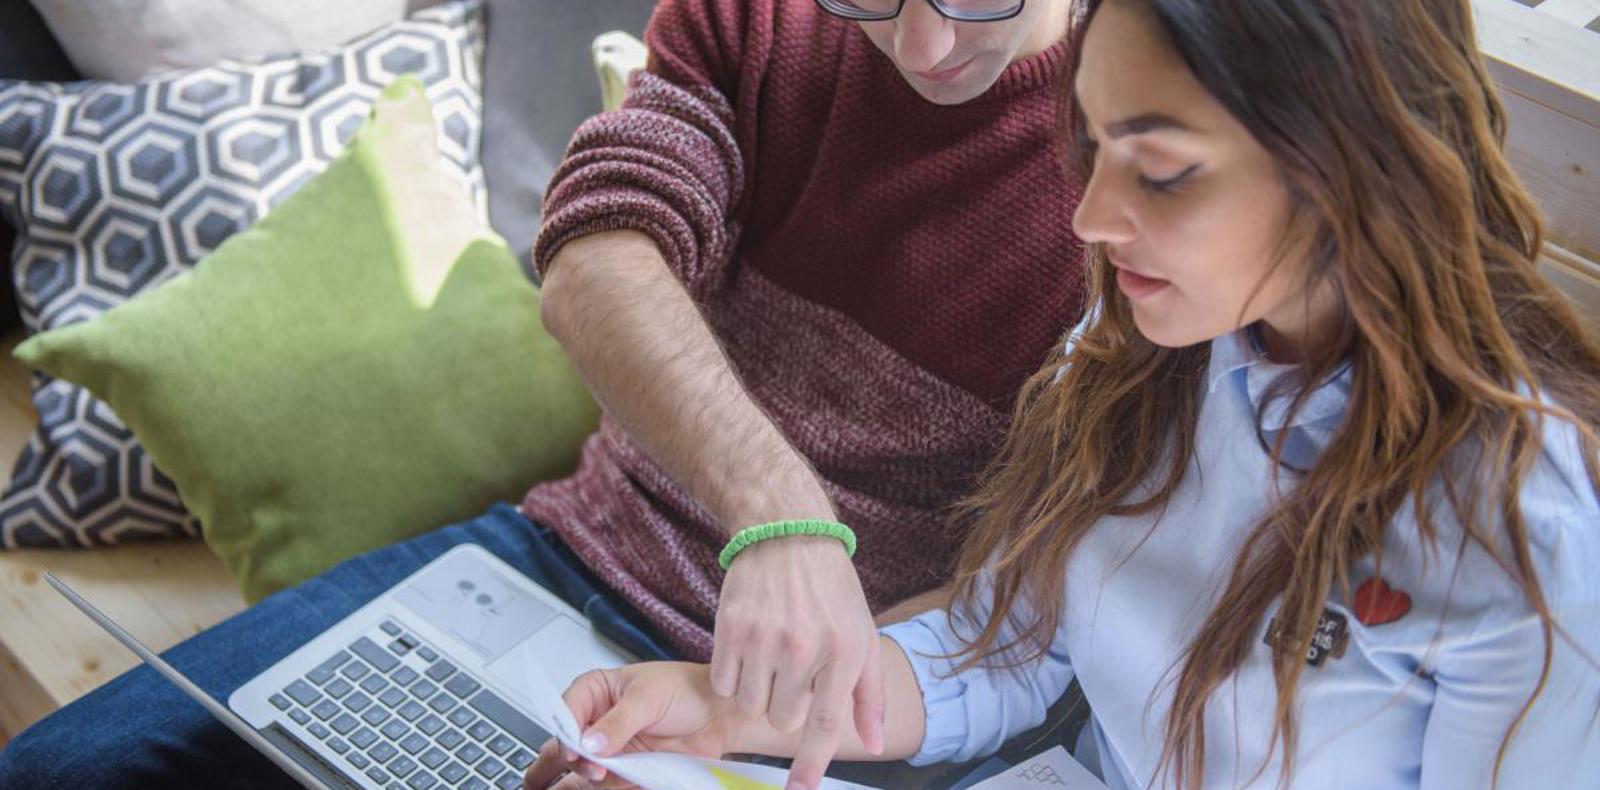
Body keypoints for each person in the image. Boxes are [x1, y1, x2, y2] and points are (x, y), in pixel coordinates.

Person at [0, 1, 1086, 788]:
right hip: (561, 562)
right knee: (66, 767)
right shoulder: (764, 19)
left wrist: (737, 705)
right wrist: (779, 512)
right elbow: (593, 258)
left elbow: (1032, 614)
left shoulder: (1138, 164)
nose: (925, 44)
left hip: (818, 712)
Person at [520, 0, 1600, 788]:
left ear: (1348, 171)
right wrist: (712, 710)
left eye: (1162, 171)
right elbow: (1008, 645)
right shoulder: (1136, 345)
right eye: (1090, 142)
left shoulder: (1513, 535)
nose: (1087, 216)